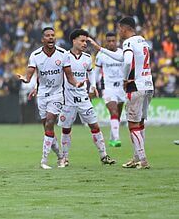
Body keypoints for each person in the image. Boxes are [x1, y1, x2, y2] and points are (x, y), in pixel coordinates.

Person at [89, 17, 154, 169]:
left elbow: (126, 61)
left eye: (119, 29)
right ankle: (137, 157)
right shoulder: (142, 41)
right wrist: (100, 49)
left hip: (135, 85)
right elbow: (122, 57)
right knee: (140, 122)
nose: (119, 32)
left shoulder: (128, 42)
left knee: (132, 124)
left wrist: (126, 79)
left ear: (125, 28)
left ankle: (143, 160)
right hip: (148, 84)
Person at [18, 27, 84, 170]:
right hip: (42, 96)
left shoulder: (63, 54)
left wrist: (77, 83)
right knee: (48, 129)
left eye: (53, 35)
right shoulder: (35, 55)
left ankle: (44, 160)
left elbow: (69, 76)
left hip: (57, 95)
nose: (51, 38)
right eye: (47, 36)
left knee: (49, 122)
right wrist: (25, 79)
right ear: (43, 39)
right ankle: (61, 157)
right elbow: (29, 76)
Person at [56, 29, 116, 167]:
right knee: (66, 129)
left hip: (83, 99)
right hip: (68, 100)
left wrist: (93, 86)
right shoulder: (64, 56)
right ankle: (64, 158)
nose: (85, 44)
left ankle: (104, 156)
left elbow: (91, 73)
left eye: (86, 41)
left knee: (94, 126)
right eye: (82, 41)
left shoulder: (87, 57)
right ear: (74, 41)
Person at [93, 32, 126, 147]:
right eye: (109, 41)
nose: (111, 43)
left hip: (121, 88)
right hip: (108, 88)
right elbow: (96, 73)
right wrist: (93, 86)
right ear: (106, 42)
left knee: (118, 115)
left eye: (113, 41)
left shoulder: (122, 53)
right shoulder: (101, 55)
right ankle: (117, 138)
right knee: (114, 111)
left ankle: (112, 138)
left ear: (116, 41)